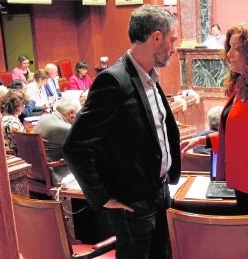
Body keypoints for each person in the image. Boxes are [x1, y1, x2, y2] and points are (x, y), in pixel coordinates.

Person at [63, 5, 180, 258]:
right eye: (172, 40)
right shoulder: (114, 81)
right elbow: (75, 146)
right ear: (156, 37)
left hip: (160, 193)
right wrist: (103, 198)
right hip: (133, 203)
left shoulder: (150, 76)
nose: (174, 48)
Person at [181, 24, 248, 215]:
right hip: (241, 183)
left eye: (236, 48)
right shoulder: (240, 87)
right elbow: (242, 135)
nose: (229, 54)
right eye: (229, 47)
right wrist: (203, 140)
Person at [34, 96, 81, 184]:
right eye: (79, 116)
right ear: (71, 113)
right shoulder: (65, 128)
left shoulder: (44, 118)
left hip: (36, 170)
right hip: (56, 174)